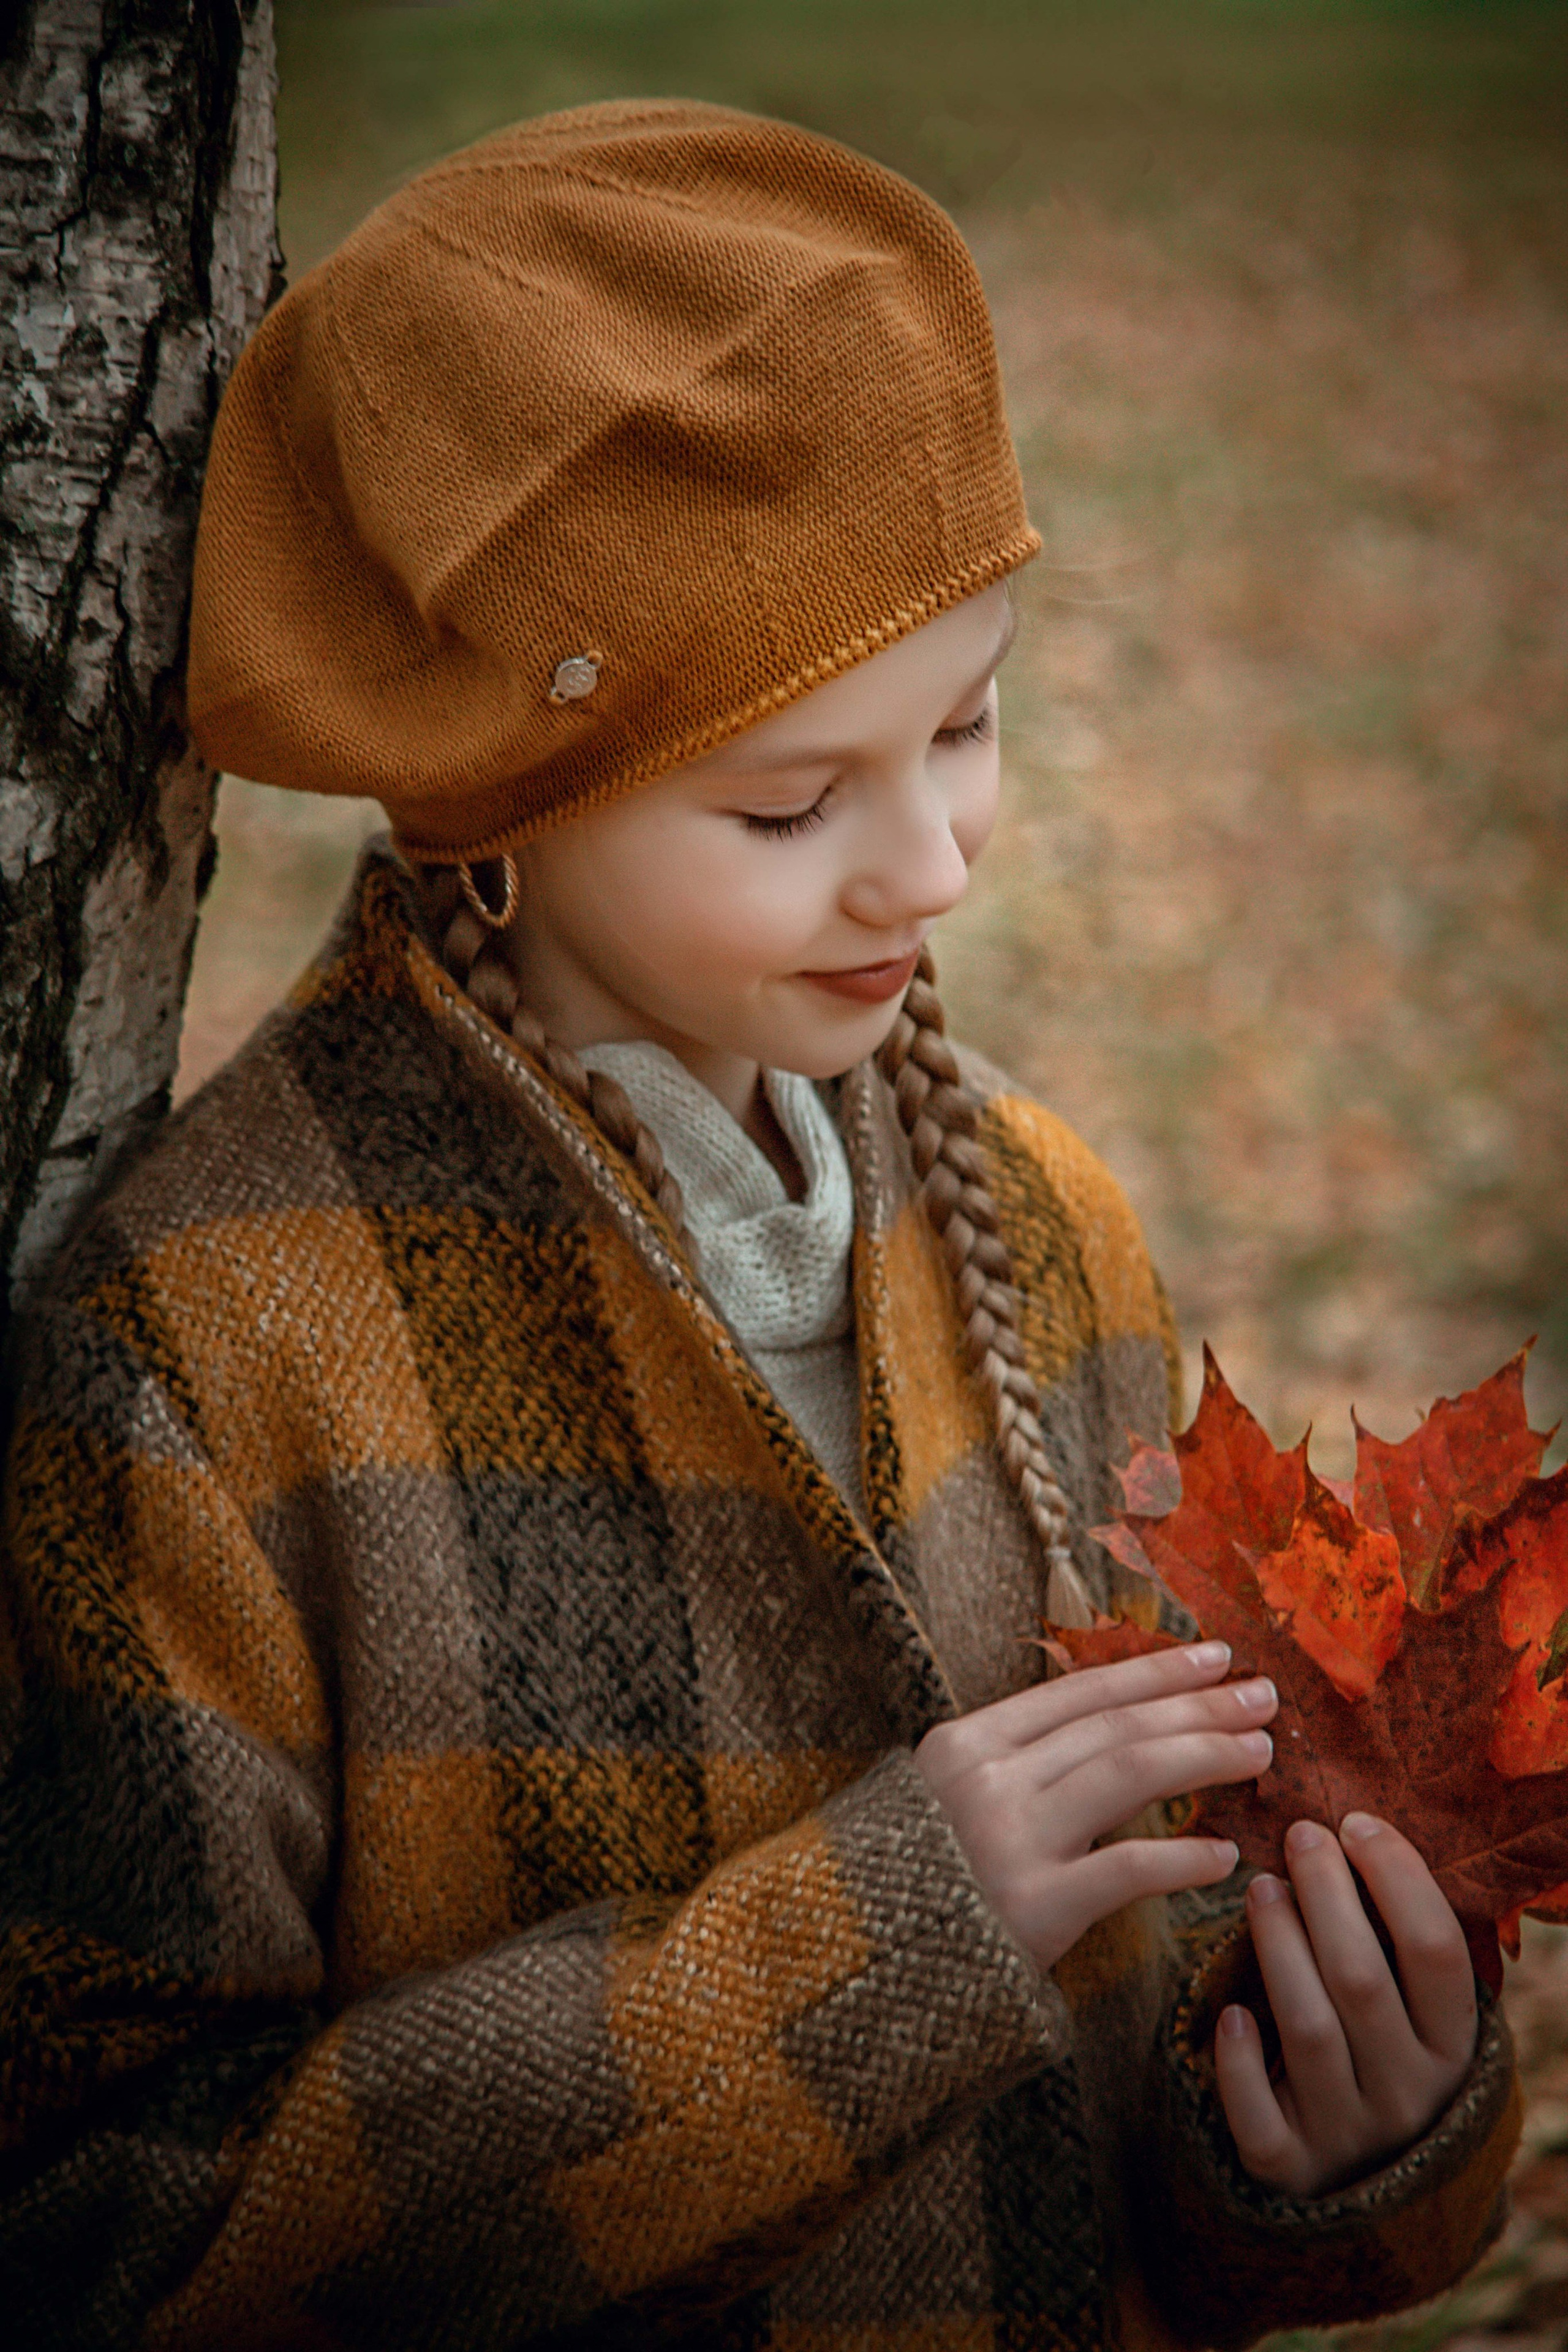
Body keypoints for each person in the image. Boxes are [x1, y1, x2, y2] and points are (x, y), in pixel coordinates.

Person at [0, 100, 1518, 2351]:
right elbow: (109, 2238)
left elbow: (1159, 2023)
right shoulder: (212, 1353)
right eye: (793, 802)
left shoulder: (1043, 1221)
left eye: (969, 723)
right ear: (500, 794)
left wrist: (1323, 2143)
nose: (935, 863)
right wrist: (874, 1944)